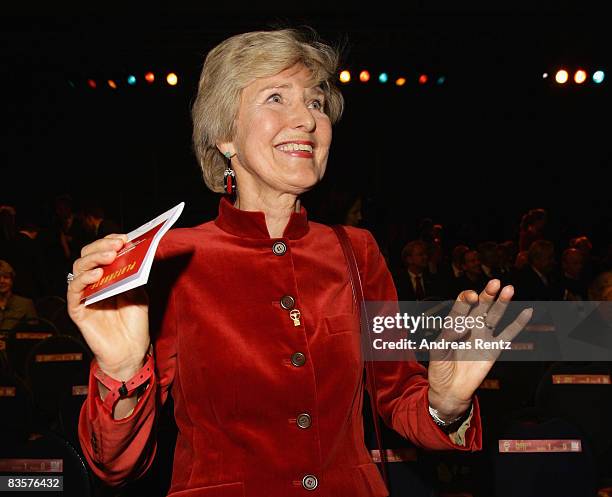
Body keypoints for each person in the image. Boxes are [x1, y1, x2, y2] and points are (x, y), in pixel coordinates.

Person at [69, 28, 531, 497]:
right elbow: (114, 465)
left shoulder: (358, 251)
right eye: (276, 97)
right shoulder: (171, 259)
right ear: (226, 136)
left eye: (315, 103)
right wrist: (123, 372)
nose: (307, 120)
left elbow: (396, 398)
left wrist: (445, 404)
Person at [0, 260, 38, 330]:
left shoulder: (26, 304)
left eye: (6, 277)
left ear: (12, 280)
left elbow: (34, 334)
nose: (1, 281)